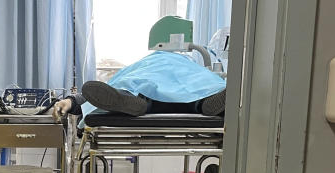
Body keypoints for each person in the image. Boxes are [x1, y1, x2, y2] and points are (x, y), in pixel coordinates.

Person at [52, 49, 227, 120]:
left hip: (147, 91)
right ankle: (206, 104)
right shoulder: (190, 65)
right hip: (192, 93)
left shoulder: (145, 64)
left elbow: (106, 88)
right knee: (200, 88)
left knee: (133, 87)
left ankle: (133, 102)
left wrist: (71, 101)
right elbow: (205, 79)